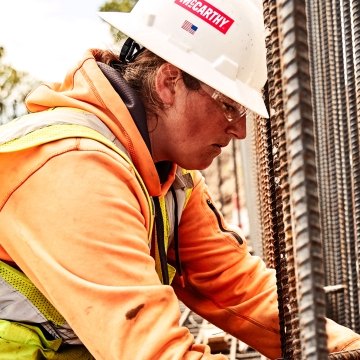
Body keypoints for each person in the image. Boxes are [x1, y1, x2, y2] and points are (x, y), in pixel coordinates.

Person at [0, 0, 359, 359]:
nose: (241, 130)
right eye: (229, 105)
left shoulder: (167, 175)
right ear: (169, 82)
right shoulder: (72, 167)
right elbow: (154, 352)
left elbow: (236, 286)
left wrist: (348, 349)